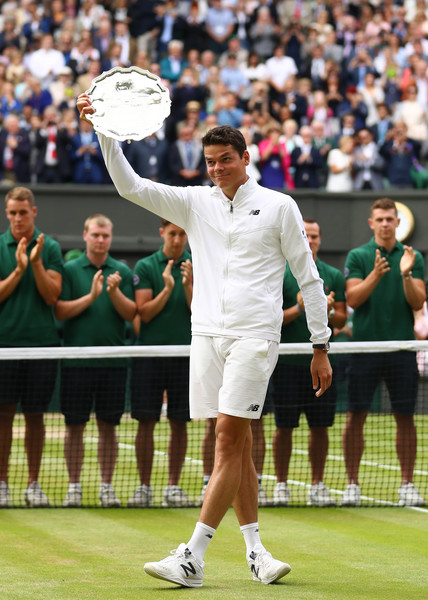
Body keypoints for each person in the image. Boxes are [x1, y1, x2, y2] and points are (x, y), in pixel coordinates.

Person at [78, 92, 332, 588]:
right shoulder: (194, 201)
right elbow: (129, 185)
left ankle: (192, 556)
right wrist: (103, 128)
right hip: (207, 337)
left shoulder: (280, 207)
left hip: (255, 338)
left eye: (224, 160)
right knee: (235, 445)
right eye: (210, 162)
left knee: (226, 440)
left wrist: (320, 345)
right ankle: (256, 550)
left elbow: (310, 280)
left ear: (246, 159)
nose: (215, 169)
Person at [341, 197, 426, 507]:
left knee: (405, 419)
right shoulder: (359, 255)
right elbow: (353, 299)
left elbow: (418, 303)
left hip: (401, 348)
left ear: (397, 222)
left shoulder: (412, 257)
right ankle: (352, 485)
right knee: (355, 418)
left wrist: (405, 273)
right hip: (364, 349)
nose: (386, 224)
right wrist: (376, 273)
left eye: (390, 219)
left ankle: (407, 485)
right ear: (371, 223)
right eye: (380, 219)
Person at [55, 214, 136, 508]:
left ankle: (106, 487)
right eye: (96, 235)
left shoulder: (122, 273)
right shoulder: (70, 269)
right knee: (74, 426)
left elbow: (131, 315)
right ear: (85, 235)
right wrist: (91, 296)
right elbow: (60, 312)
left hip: (112, 363)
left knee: (108, 427)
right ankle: (73, 488)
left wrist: (113, 293)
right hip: (76, 362)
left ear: (110, 238)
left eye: (105, 235)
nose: (101, 240)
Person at [272, 218, 346, 507]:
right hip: (288, 363)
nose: (311, 240)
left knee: (320, 426)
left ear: (320, 239)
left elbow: (342, 318)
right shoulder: (280, 271)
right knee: (284, 426)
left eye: (315, 235)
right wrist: (299, 307)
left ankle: (317, 484)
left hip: (322, 362)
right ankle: (281, 485)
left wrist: (325, 308)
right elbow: (273, 317)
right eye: (306, 235)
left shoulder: (332, 275)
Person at [0, 186, 63, 508]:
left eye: (23, 212)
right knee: (3, 417)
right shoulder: (0, 246)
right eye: (12, 213)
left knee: (36, 418)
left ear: (33, 212)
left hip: (41, 347)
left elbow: (52, 296)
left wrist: (35, 263)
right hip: (5, 348)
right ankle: (2, 484)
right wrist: (19, 269)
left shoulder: (49, 247)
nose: (18, 218)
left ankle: (33, 484)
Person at [127, 219, 193, 509]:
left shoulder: (198, 262)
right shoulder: (145, 266)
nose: (177, 240)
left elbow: (200, 310)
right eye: (172, 234)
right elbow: (144, 313)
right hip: (150, 355)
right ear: (162, 234)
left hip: (186, 355)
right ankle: (144, 487)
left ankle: (173, 486)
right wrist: (167, 289)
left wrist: (188, 284)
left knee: (180, 423)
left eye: (181, 234)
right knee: (146, 421)